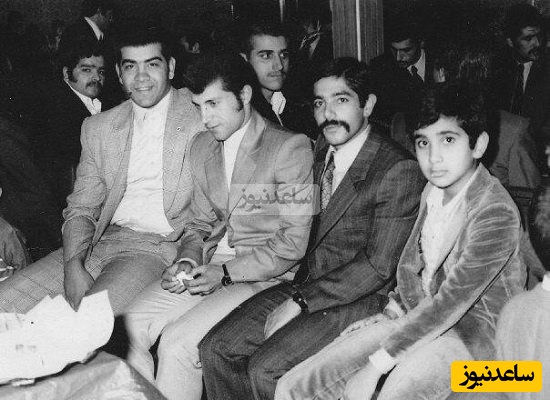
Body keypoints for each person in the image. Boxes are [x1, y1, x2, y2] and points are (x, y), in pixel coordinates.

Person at [275, 82, 527, 400]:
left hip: (478, 346)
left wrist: (376, 364)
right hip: (420, 320)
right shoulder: (432, 189)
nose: (434, 157)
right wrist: (391, 312)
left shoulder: (496, 210)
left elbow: (450, 302)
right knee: (294, 386)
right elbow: (412, 270)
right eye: (423, 143)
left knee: (390, 392)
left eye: (448, 140)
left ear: (478, 145)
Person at [199, 57, 426, 400]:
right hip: (306, 284)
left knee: (266, 369)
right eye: (320, 103)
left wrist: (301, 301)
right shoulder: (319, 150)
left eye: (341, 100)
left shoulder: (396, 169)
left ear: (368, 104)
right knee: (215, 349)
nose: (328, 113)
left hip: (359, 297)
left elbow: (378, 267)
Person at [122, 51, 314, 400]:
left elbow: (293, 244)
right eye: (198, 106)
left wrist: (224, 273)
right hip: (211, 266)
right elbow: (199, 223)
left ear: (244, 95)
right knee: (128, 326)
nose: (205, 118)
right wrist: (188, 259)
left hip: (265, 277)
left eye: (213, 104)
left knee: (179, 344)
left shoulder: (291, 147)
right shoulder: (201, 146)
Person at [0, 26, 203, 316]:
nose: (141, 77)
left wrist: (191, 254)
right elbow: (81, 207)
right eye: (130, 66)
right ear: (119, 74)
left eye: (152, 64)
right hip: (98, 242)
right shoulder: (100, 127)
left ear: (170, 67)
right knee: (4, 305)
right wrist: (73, 264)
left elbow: (212, 210)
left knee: (89, 322)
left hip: (154, 248)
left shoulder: (201, 112)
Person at [33, 39, 108, 210]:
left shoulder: (102, 104)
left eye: (101, 71)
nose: (97, 77)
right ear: (66, 73)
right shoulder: (56, 111)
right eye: (87, 70)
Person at [240, 20, 318, 139]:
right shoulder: (243, 113)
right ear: (245, 60)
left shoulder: (296, 104)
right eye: (266, 56)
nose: (279, 65)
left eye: (283, 55)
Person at [491, 3, 550, 153]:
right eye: (528, 38)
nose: (537, 43)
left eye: (539, 36)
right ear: (510, 42)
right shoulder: (495, 68)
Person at [369, 19, 434, 130]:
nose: (398, 57)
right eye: (394, 50)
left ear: (421, 43)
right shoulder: (380, 68)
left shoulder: (440, 62)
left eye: (406, 50)